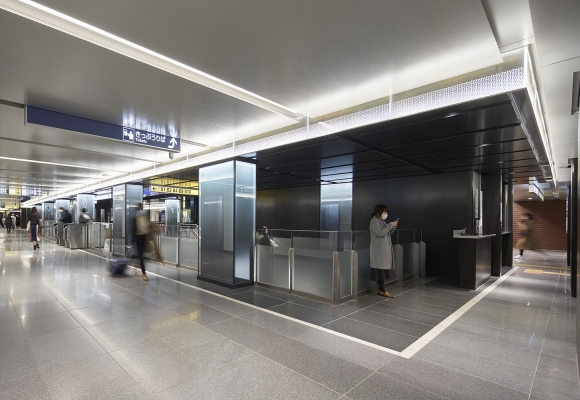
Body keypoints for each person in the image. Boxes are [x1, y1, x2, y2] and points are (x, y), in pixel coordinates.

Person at [369, 204, 398, 298]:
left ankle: (381, 289)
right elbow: (380, 233)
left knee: (382, 270)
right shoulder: (374, 221)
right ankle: (382, 290)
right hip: (379, 249)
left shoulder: (381, 221)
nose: (386, 214)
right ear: (379, 212)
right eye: (385, 212)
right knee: (380, 270)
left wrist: (393, 226)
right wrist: (390, 225)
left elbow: (387, 233)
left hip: (383, 249)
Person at [134, 203, 149, 281]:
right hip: (138, 240)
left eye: (142, 208)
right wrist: (132, 241)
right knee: (141, 257)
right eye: (140, 208)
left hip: (144, 239)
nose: (141, 209)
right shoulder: (135, 219)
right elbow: (133, 230)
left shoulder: (145, 218)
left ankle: (137, 266)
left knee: (142, 256)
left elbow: (147, 229)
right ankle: (144, 273)